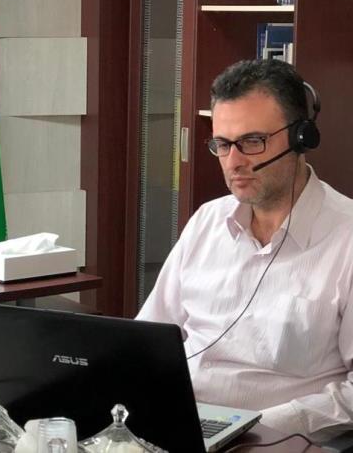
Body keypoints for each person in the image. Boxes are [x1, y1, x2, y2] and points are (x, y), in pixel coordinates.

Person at [137, 59, 353, 442]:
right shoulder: (207, 222)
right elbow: (147, 339)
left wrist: (258, 426)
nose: (233, 162)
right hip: (178, 428)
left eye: (252, 142)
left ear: (301, 138)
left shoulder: (346, 237)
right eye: (222, 144)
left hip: (280, 442)